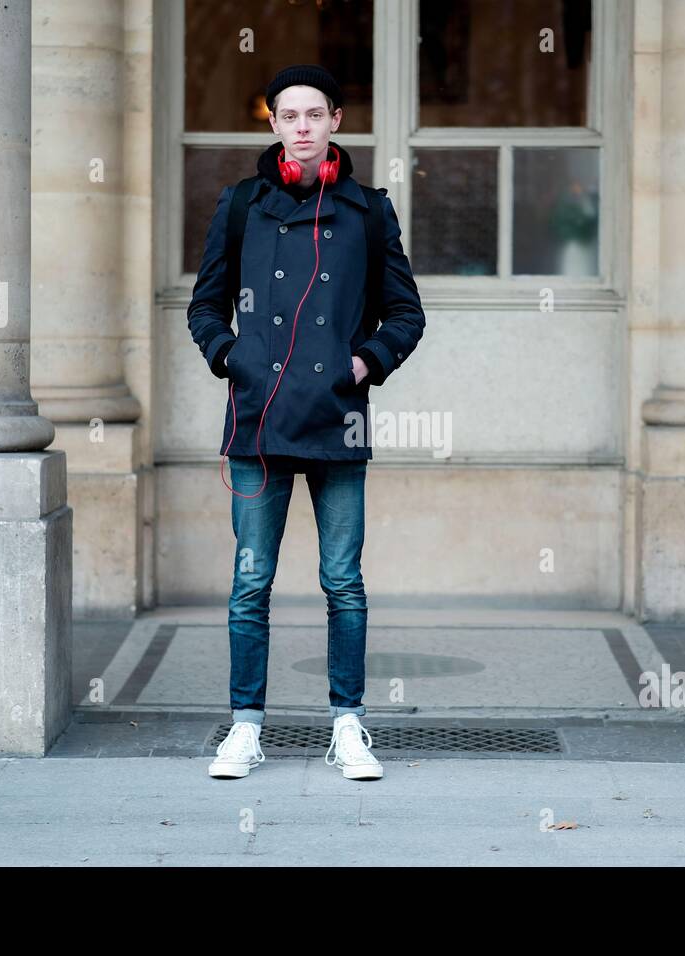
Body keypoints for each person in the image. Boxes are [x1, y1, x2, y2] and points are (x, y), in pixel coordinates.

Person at [186, 64, 426, 780]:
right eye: (288, 115)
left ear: (336, 123)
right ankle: (245, 727)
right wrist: (233, 357)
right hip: (257, 421)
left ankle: (348, 726)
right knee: (250, 583)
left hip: (338, 423)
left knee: (342, 581)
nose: (301, 126)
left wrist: (364, 363)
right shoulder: (239, 207)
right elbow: (204, 307)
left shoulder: (368, 211)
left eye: (314, 115)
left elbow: (407, 313)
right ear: (273, 126)